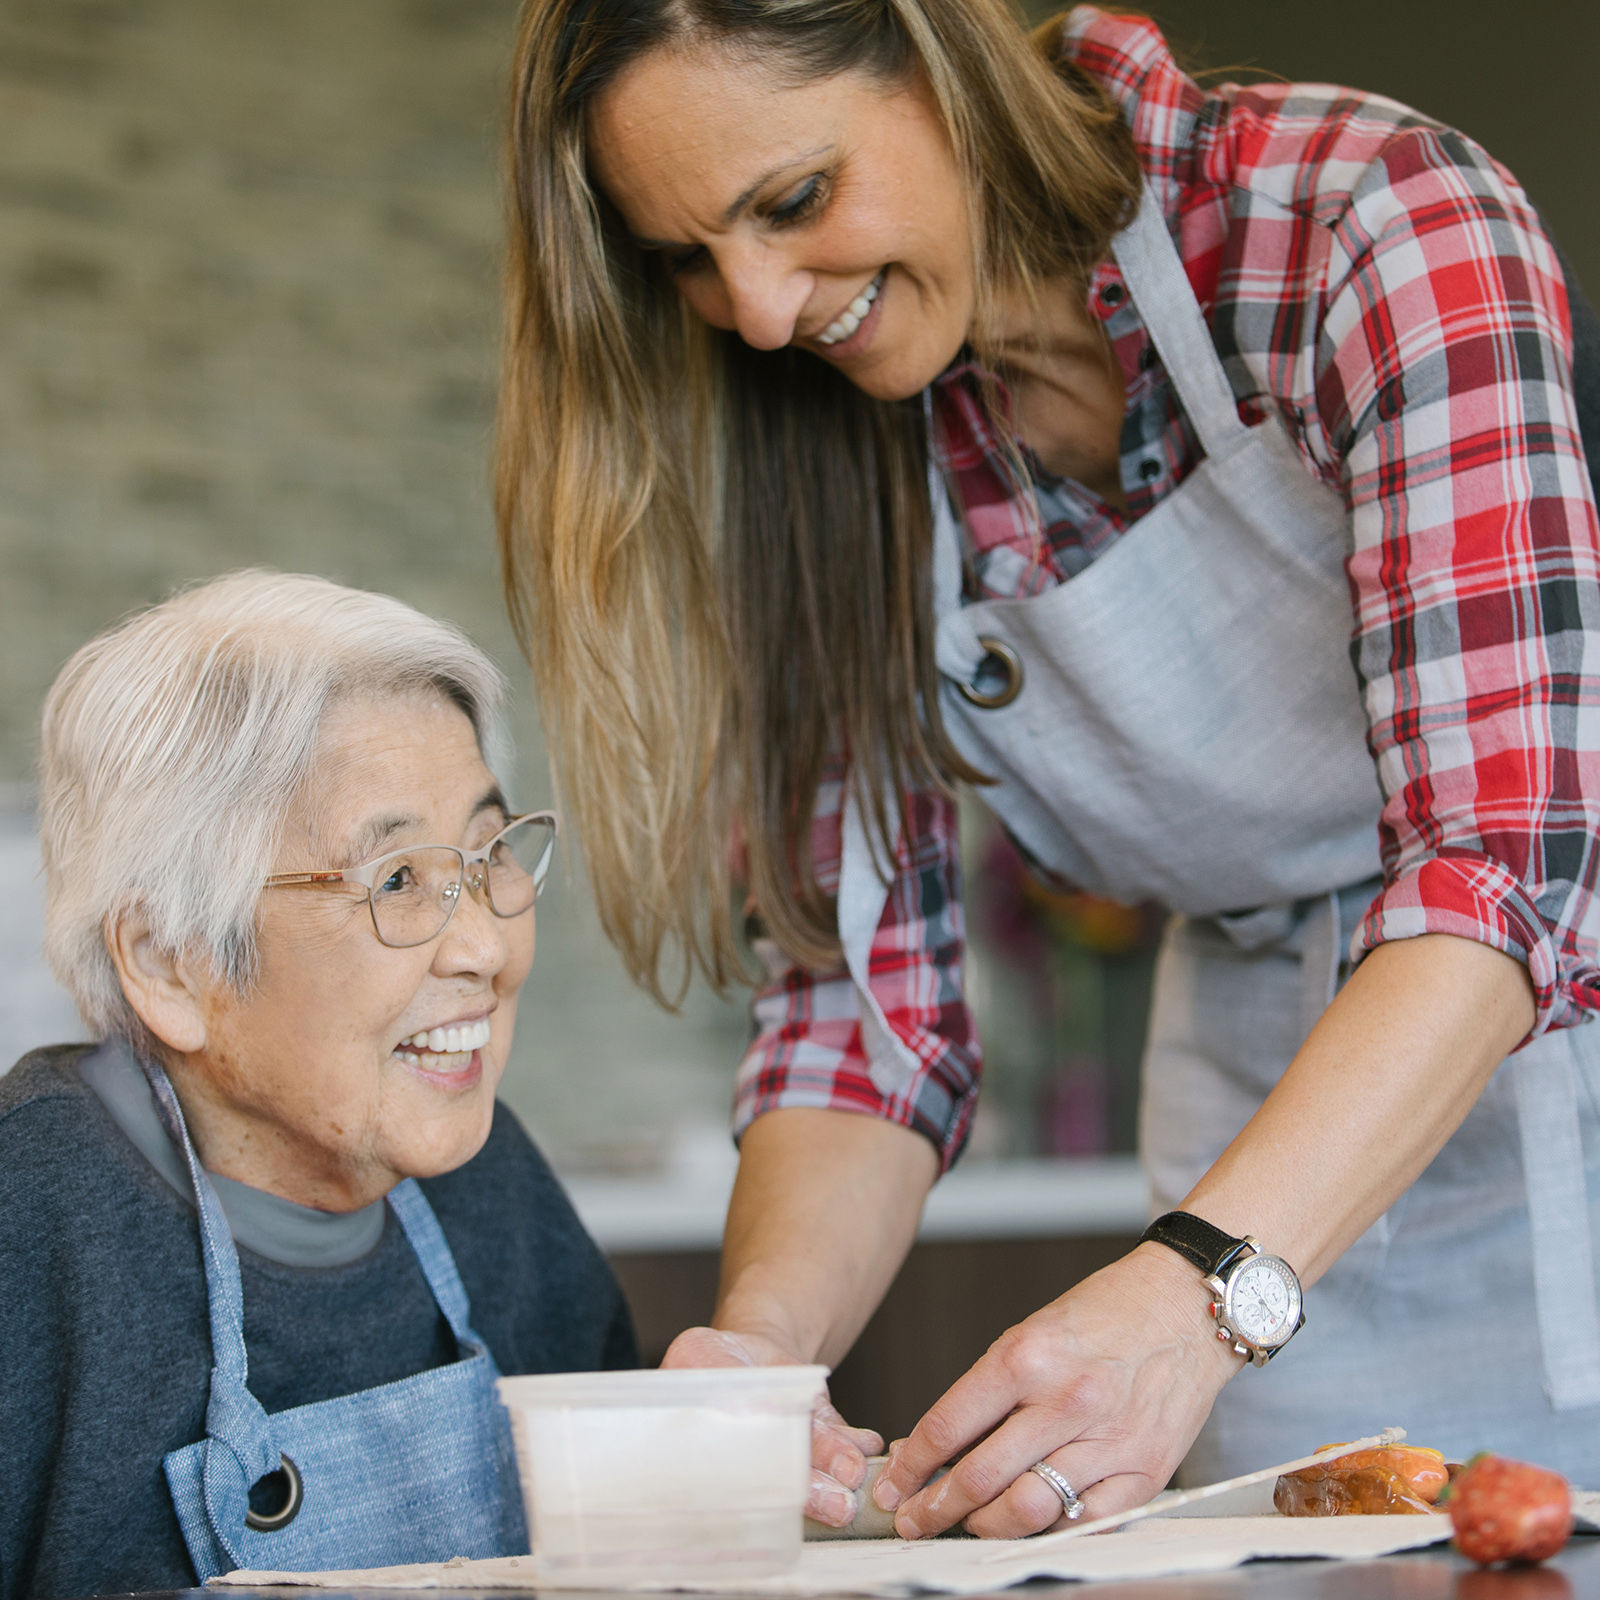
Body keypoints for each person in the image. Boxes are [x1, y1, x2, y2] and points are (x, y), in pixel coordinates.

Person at [496, 0, 1600, 1543]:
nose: (751, 309)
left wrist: (1197, 1297)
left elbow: (1500, 863)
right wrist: (759, 1356)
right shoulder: (824, 445)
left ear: (939, 62)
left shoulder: (1362, 219)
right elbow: (859, 1019)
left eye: (794, 201)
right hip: (1259, 1091)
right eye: (687, 255)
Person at [0, 571, 636, 1600]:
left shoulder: (491, 1182)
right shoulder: (34, 1213)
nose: (484, 945)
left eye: (487, 856)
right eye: (395, 879)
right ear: (169, 961)